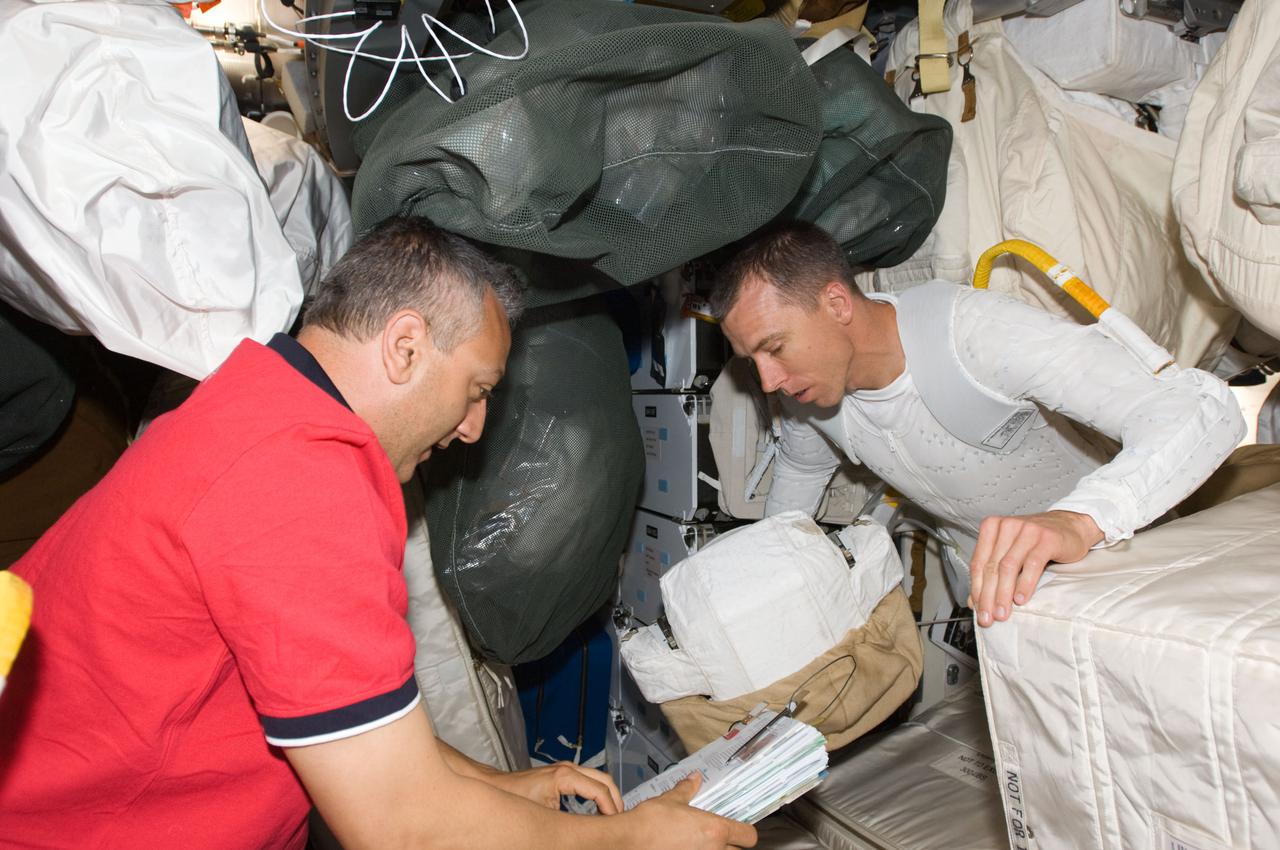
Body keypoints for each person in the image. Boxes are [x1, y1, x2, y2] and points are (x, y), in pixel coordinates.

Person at [0, 218, 757, 850]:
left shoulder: (260, 411)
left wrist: (504, 786)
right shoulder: (299, 484)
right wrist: (635, 838)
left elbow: (353, 740)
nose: (473, 428)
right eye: (476, 390)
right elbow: (399, 824)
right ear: (404, 347)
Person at [712, 221, 1244, 629]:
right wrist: (765, 590)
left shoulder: (976, 335)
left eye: (774, 348)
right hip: (998, 605)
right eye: (750, 360)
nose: (768, 381)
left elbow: (1201, 411)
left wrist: (1078, 521)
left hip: (1125, 571)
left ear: (835, 303)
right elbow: (799, 475)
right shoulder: (807, 395)